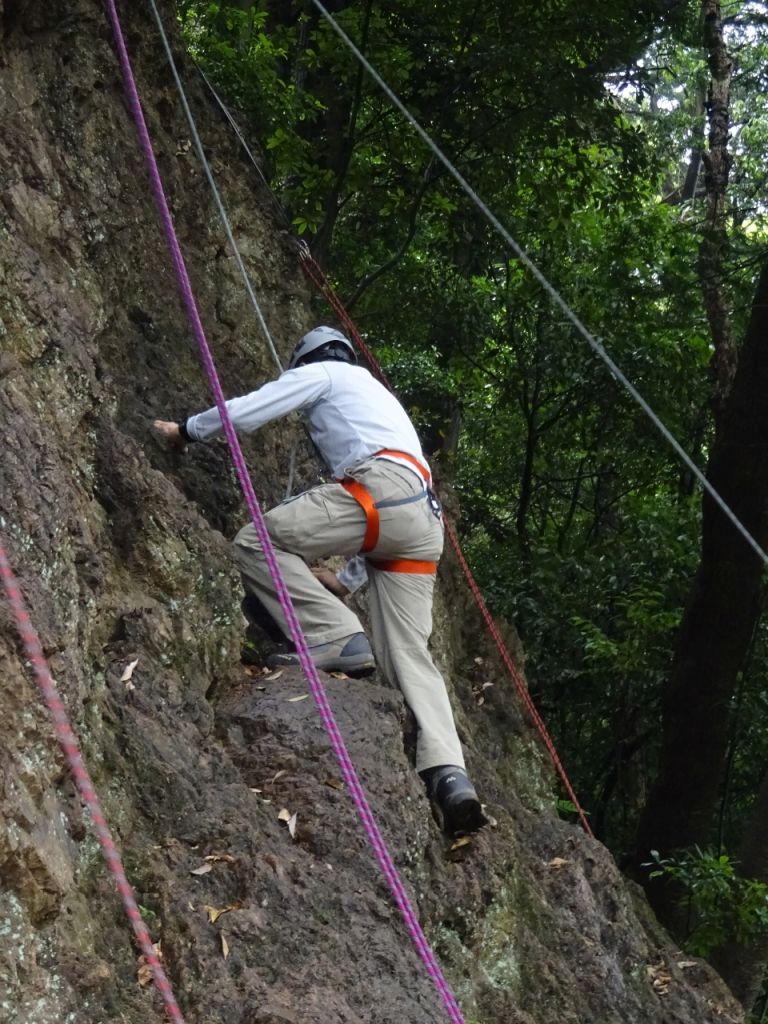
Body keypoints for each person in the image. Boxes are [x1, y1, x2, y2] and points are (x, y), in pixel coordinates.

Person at [153, 326, 486, 836]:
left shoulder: (326, 373)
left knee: (256, 541)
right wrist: (348, 578)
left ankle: (334, 635)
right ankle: (448, 774)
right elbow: (390, 518)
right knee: (409, 655)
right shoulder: (381, 400)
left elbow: (251, 409)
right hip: (421, 518)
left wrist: (189, 430)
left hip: (379, 489)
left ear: (306, 361)